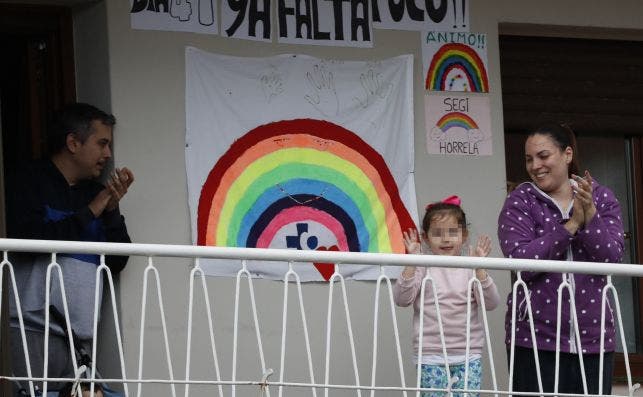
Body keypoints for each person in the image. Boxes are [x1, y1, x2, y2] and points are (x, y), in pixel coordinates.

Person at [6, 102, 135, 395]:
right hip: (31, 330)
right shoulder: (28, 181)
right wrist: (91, 211)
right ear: (73, 143)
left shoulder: (96, 193)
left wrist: (111, 211)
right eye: (102, 143)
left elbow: (118, 261)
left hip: (80, 336)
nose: (108, 155)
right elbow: (28, 241)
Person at [498, 123, 624, 395]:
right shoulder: (521, 199)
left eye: (544, 156)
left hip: (593, 337)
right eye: (529, 159)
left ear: (567, 155)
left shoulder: (601, 197)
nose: (535, 165)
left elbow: (612, 257)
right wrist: (570, 226)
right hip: (533, 337)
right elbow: (521, 261)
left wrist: (589, 215)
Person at [394, 196, 500, 397]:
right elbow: (401, 299)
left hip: (468, 354)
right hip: (430, 354)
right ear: (425, 238)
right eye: (437, 234)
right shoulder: (423, 267)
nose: (446, 239)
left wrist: (480, 269)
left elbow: (492, 302)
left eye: (453, 232)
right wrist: (411, 262)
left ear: (464, 235)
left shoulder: (470, 267)